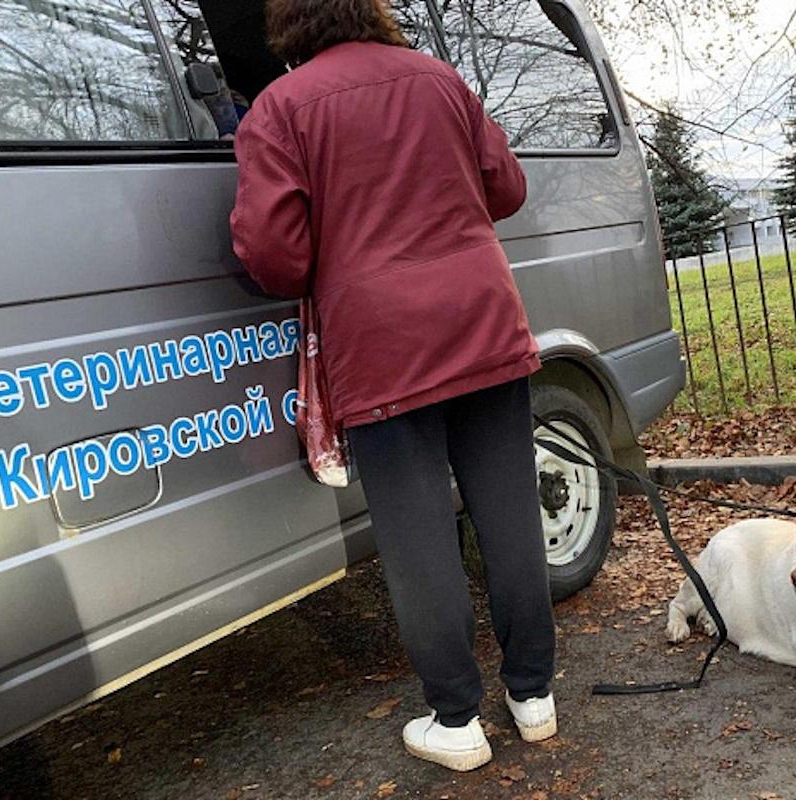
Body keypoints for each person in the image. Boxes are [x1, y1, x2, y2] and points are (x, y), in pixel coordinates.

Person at [229, 0, 556, 773]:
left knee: (418, 543)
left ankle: (457, 722)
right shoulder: (439, 79)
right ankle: (534, 696)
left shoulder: (278, 110)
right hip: (483, 323)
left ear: (289, 24)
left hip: (382, 348)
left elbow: (275, 259)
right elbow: (506, 190)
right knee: (510, 513)